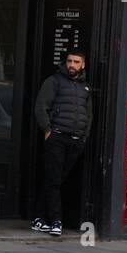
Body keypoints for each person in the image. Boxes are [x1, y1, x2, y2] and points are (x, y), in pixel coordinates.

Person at [31, 48, 92, 237]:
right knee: (54, 179)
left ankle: (39, 218)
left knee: (55, 180)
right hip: (57, 137)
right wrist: (48, 130)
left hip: (76, 140)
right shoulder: (54, 81)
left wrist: (84, 136)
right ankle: (56, 221)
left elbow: (89, 114)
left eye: (76, 62)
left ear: (83, 65)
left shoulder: (85, 87)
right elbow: (41, 106)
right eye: (69, 61)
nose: (72, 65)